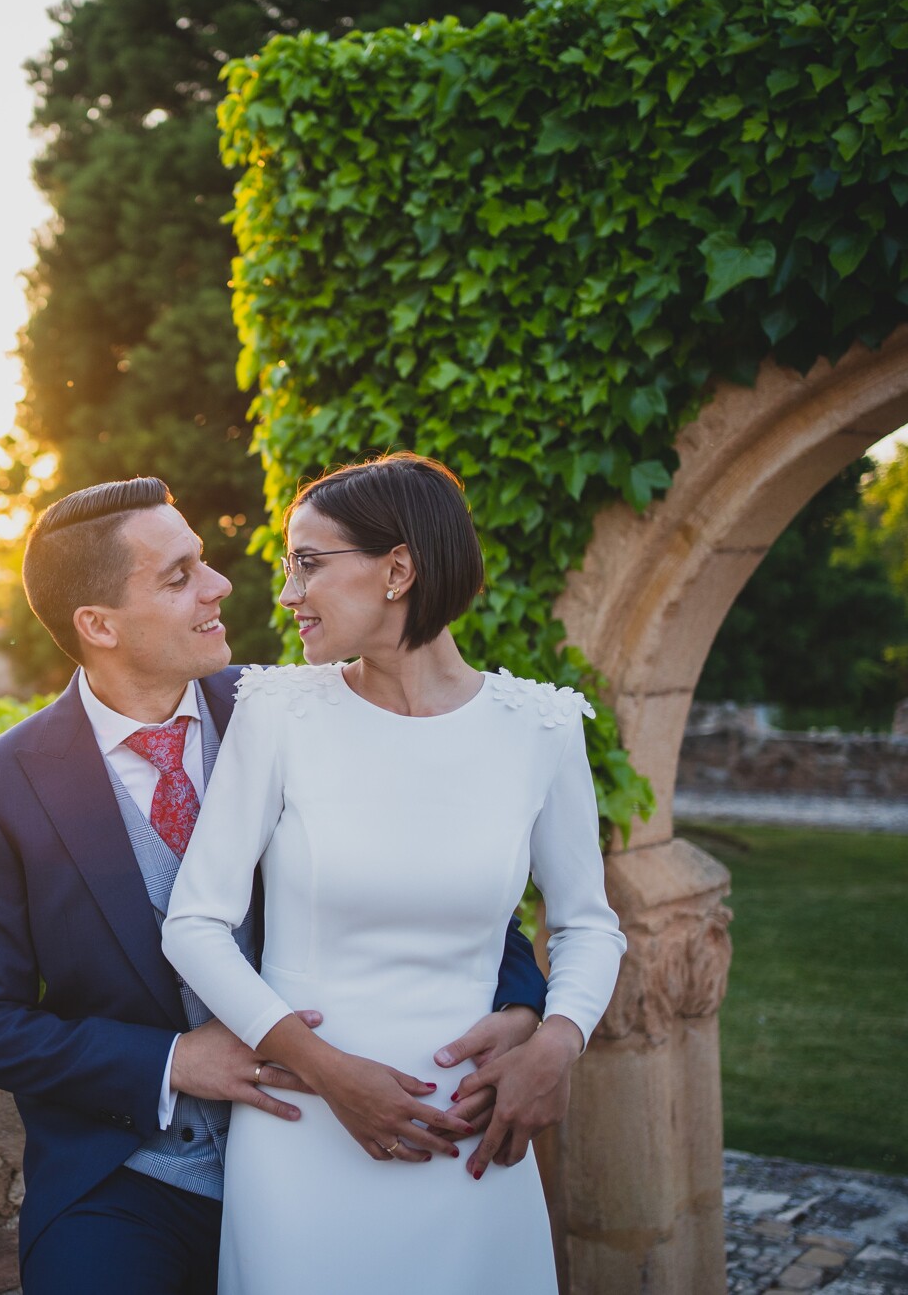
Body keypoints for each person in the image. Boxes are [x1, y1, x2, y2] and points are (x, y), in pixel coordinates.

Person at [0, 476, 571, 1295]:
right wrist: (172, 1061)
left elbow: (430, 887)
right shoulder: (5, 781)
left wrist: (524, 1008)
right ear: (98, 625)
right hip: (132, 1175)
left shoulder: (293, 710)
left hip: (334, 1142)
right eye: (178, 575)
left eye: (202, 561)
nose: (221, 584)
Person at [160, 453, 628, 1294]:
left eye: (308, 562)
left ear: (398, 569)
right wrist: (327, 1069)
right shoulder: (277, 714)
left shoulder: (542, 728)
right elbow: (194, 924)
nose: (287, 592)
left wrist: (558, 1038)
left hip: (473, 1139)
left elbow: (588, 922)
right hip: (305, 1133)